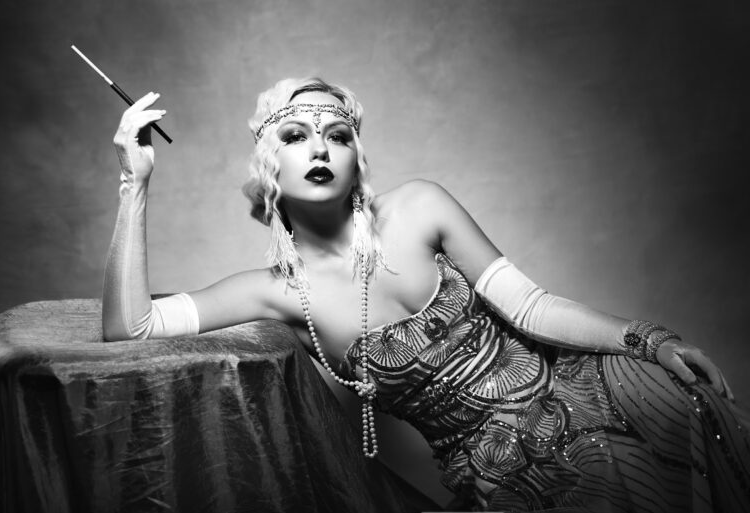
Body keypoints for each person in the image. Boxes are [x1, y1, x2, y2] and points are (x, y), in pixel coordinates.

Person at [102, 77, 750, 512]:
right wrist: (136, 183)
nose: (320, 147)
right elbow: (131, 327)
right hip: (497, 474)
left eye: (338, 135)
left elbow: (531, 306)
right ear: (268, 163)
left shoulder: (418, 206)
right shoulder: (274, 292)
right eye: (295, 135)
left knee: (689, 417)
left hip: (592, 398)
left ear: (357, 157)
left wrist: (647, 339)